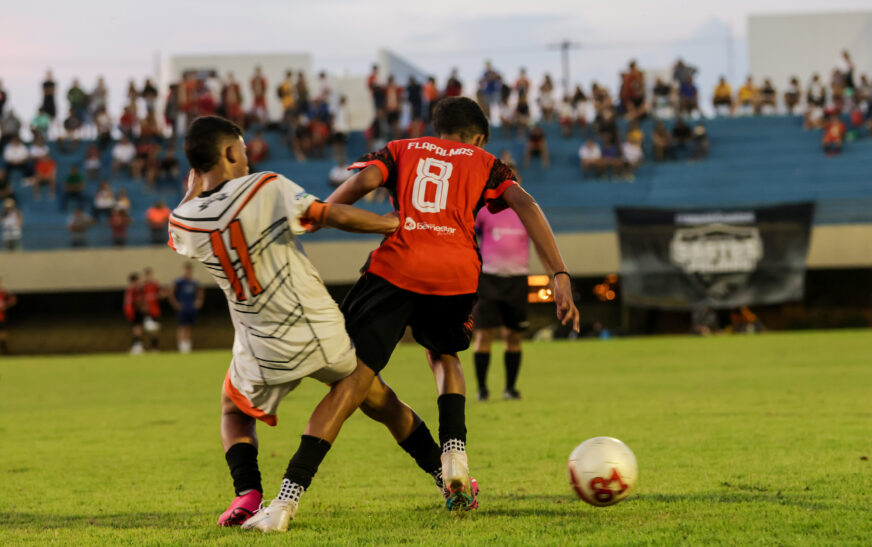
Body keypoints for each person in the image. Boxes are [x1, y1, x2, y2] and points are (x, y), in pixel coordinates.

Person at [169, 116, 457, 532]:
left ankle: (247, 495)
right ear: (231, 152)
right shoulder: (264, 187)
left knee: (233, 409)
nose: (248, 156)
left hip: (258, 344)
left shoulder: (185, 220)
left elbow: (179, 218)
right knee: (377, 399)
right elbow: (329, 215)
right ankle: (441, 475)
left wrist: (194, 187)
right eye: (244, 148)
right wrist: (390, 223)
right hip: (313, 329)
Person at [319, 97, 579, 518]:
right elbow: (526, 204)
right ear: (477, 137)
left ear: (436, 127)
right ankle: (454, 454)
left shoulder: (401, 148)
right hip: (455, 272)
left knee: (357, 377)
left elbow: (355, 189)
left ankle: (292, 489)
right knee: (444, 355)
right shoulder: (484, 159)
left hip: (396, 267)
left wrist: (318, 214)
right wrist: (559, 274)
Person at [471, 178, 531, 401]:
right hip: (489, 279)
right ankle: (482, 390)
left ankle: (510, 388)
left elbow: (541, 239)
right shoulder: (485, 212)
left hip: (517, 279)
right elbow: (470, 236)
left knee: (513, 335)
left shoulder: (526, 210)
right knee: (484, 334)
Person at [169, 262, 204, 353]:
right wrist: (175, 304)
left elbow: (200, 292)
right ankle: (181, 347)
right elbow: (171, 293)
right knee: (182, 327)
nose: (188, 271)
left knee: (189, 327)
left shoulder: (194, 282)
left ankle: (187, 346)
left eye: (190, 269)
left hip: (191, 308)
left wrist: (199, 301)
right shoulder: (179, 281)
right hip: (182, 308)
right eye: (186, 269)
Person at [142, 267, 164, 351]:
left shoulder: (155, 285)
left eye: (149, 274)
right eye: (146, 275)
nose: (148, 277)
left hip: (156, 311)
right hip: (147, 312)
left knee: (155, 331)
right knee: (149, 329)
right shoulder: (143, 286)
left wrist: (158, 296)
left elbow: (161, 294)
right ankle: (145, 346)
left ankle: (154, 347)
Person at [123, 273, 145, 354]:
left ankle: (136, 347)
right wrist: (142, 306)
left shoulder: (129, 289)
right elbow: (136, 300)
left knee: (136, 329)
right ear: (135, 280)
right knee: (138, 329)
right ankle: (137, 347)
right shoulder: (134, 289)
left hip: (131, 310)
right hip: (135, 310)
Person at [0, 277, 16, 354]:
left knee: (3, 336)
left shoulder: (3, 293)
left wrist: (5, 306)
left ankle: (4, 352)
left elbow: (13, 300)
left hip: (1, 318)